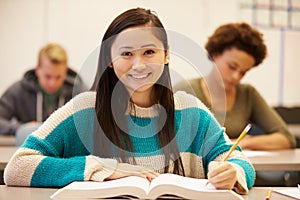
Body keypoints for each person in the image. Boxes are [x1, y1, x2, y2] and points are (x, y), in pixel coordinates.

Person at [4, 8, 254, 194]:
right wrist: (100, 168)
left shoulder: (191, 112)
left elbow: (239, 161)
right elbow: (17, 168)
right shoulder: (84, 110)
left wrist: (233, 172)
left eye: (149, 52)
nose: (139, 65)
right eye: (126, 54)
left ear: (166, 55)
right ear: (110, 60)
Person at [174, 22, 296, 150]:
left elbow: (286, 138)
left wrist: (241, 143)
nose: (236, 77)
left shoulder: (247, 94)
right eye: (232, 67)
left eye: (243, 72)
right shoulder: (185, 90)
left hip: (234, 167)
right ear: (215, 55)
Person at [0, 43, 87, 142]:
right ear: (38, 70)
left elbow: (94, 124)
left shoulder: (81, 93)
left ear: (65, 71)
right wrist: (22, 129)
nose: (52, 83)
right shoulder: (18, 91)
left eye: (58, 77)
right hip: (31, 150)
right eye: (48, 76)